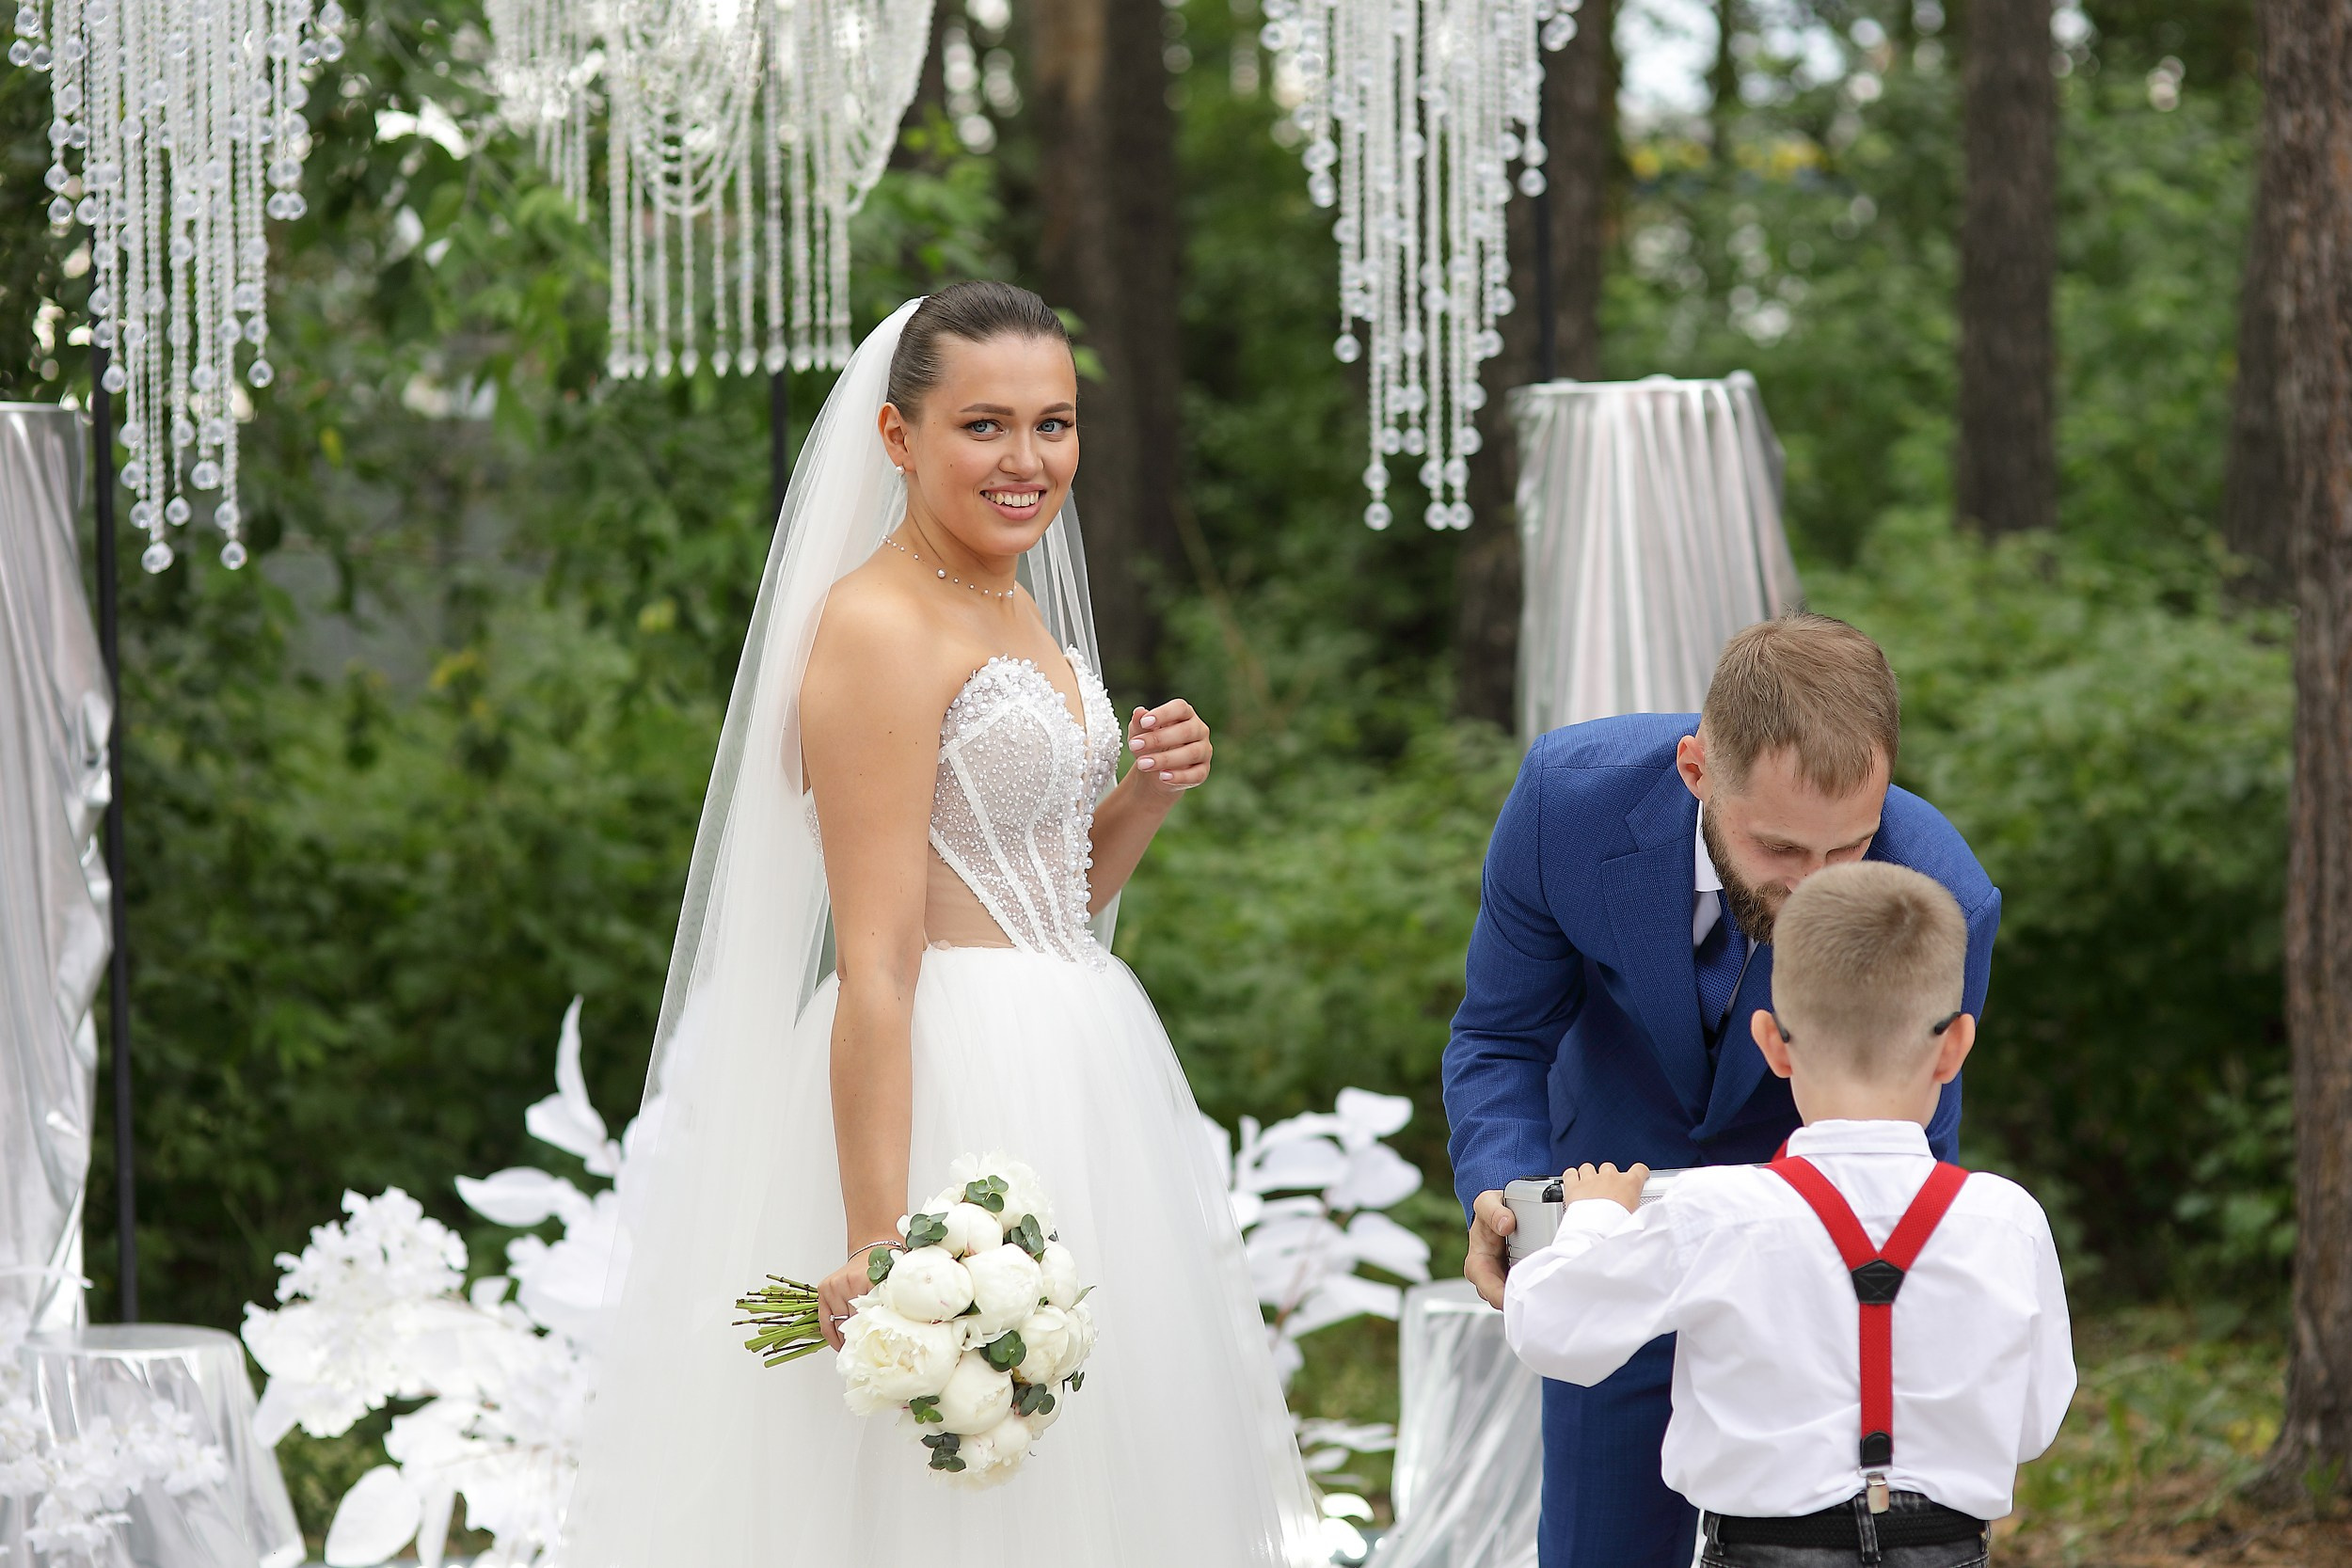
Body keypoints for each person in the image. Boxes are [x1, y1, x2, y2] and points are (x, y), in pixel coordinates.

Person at [563, 284, 1321, 1566]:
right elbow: (876, 955)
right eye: (984, 425)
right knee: (944, 1494)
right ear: (898, 436)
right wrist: (882, 1238)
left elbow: (1048, 898)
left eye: (1053, 423)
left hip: (1080, 1054)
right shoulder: (877, 624)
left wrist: (1144, 792)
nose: (1028, 460)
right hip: (943, 1076)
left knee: (1101, 1471)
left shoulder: (1013, 602)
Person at [1443, 614, 2003, 1568]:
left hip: (1806, 1271)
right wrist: (1506, 1191)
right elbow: (1500, 1034)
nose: (1816, 888)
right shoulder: (1564, 804)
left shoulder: (1940, 891)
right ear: (1696, 769)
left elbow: (1911, 1144)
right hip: (1609, 1230)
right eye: (1780, 848)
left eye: (1848, 848)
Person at [1502, 862, 2074, 1568]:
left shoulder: (1715, 1212)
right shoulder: (2008, 1219)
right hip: (1947, 1549)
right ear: (1955, 1045)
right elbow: (2033, 1423)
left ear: (1771, 1041)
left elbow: (1550, 1327)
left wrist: (1593, 1219)